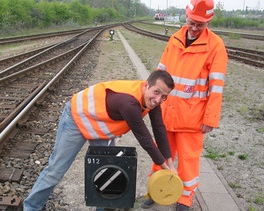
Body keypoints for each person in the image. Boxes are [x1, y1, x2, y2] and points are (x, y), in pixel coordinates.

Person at [23, 70, 177, 211]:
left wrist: (169, 162)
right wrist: (164, 166)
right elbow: (145, 139)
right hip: (76, 118)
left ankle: (101, 209)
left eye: (164, 96)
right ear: (146, 85)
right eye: (156, 92)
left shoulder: (152, 99)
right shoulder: (129, 103)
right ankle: (31, 207)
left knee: (107, 171)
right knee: (56, 169)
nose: (158, 99)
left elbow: (159, 129)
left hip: (99, 127)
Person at [141, 0, 228, 211]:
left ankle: (185, 199)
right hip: (167, 112)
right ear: (185, 16)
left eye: (200, 25)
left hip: (193, 117)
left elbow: (216, 87)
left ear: (208, 22)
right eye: (191, 23)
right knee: (161, 153)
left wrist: (210, 118)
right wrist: (149, 101)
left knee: (189, 160)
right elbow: (160, 72)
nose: (195, 28)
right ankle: (156, 189)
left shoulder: (215, 46)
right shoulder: (175, 39)